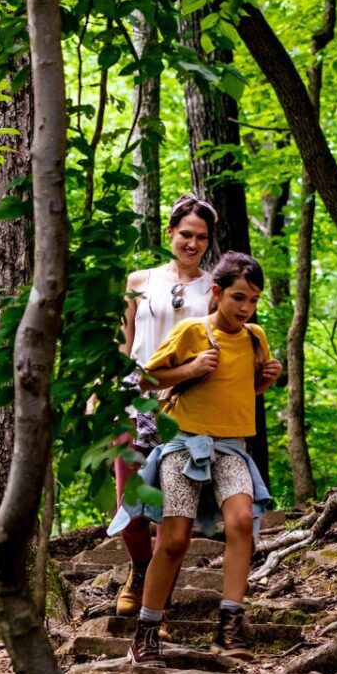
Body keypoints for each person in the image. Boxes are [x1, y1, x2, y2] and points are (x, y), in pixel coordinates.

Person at [128, 252, 283, 662]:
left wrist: (264, 381)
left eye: (253, 300)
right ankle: (146, 630)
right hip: (185, 444)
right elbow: (146, 379)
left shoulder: (255, 337)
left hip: (232, 447)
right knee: (175, 540)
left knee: (241, 522)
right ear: (217, 292)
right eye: (238, 298)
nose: (246, 308)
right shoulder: (192, 331)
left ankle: (229, 628)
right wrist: (192, 368)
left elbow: (241, 390)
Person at [109, 195, 218, 617]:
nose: (193, 243)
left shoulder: (214, 289)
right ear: (170, 232)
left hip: (186, 409)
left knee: (174, 516)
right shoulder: (140, 281)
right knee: (130, 507)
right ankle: (140, 571)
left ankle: (159, 604)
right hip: (135, 403)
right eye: (186, 234)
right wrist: (105, 396)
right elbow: (123, 345)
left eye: (202, 237)